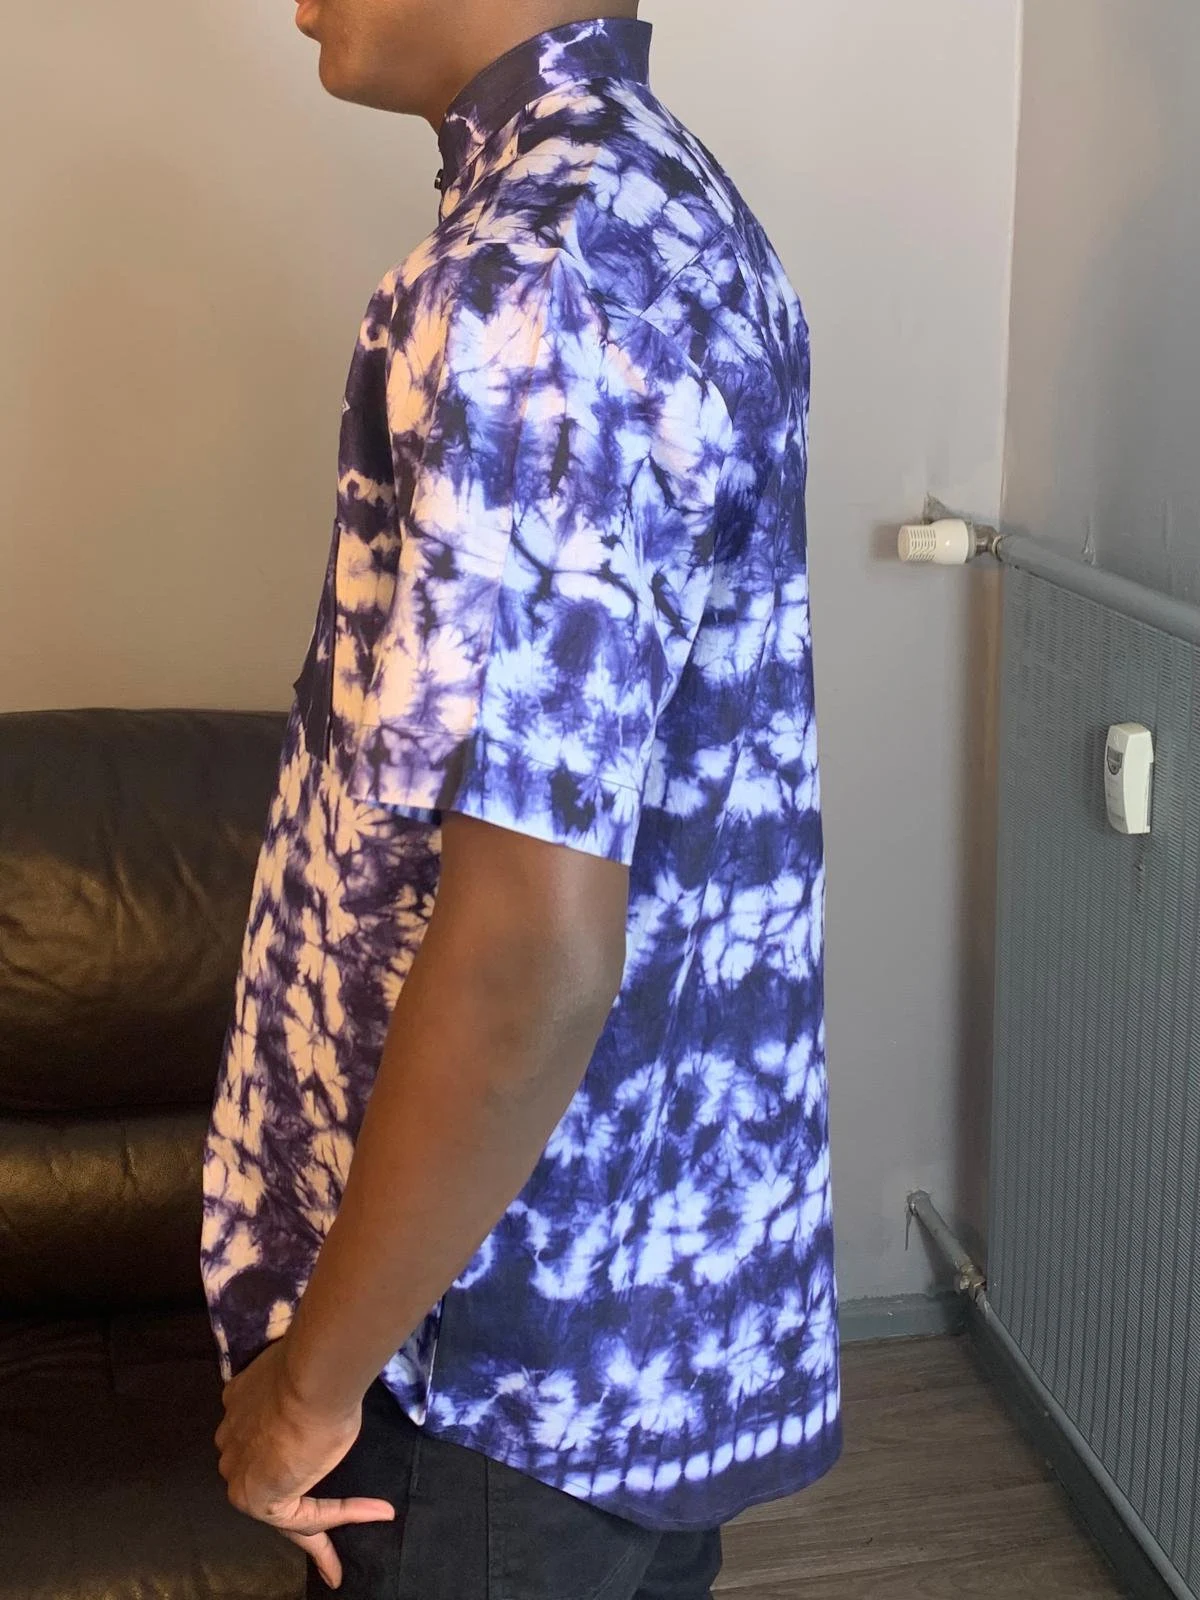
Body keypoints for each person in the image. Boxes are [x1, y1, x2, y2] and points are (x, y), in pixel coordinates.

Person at [202, 2, 840, 1596]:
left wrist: (310, 1389)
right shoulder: (665, 203)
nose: (295, 4)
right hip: (621, 1307)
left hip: (485, 1360)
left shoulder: (537, 281)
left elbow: (528, 951)